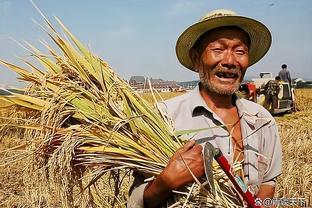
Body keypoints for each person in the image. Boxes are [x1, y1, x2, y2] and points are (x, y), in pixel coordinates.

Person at [128, 9, 282, 208]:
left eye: (240, 51)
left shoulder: (262, 120)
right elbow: (137, 201)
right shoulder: (164, 117)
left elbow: (268, 182)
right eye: (218, 50)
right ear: (195, 58)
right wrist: (166, 181)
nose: (229, 61)